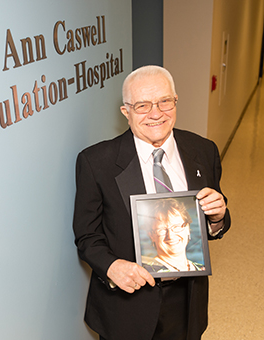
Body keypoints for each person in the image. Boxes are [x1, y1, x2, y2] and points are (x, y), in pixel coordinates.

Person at [72, 65, 231, 340]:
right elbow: (87, 236)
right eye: (143, 105)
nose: (156, 114)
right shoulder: (96, 162)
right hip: (126, 306)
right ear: (126, 112)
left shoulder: (204, 151)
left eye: (164, 101)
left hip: (187, 301)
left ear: (176, 100)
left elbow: (212, 219)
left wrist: (218, 218)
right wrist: (112, 267)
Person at [141, 198, 205, 273]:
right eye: (162, 229)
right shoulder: (146, 272)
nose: (170, 236)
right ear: (151, 236)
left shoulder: (201, 269)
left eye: (176, 227)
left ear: (187, 228)